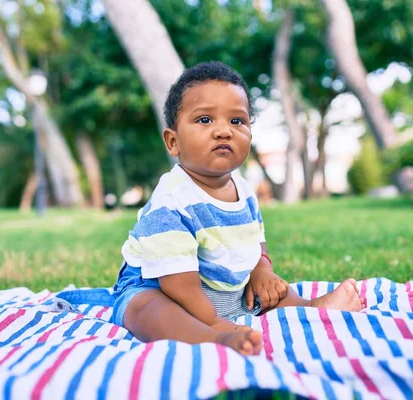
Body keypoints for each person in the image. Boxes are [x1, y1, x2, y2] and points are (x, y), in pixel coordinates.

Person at [112, 61, 362, 356]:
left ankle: (310, 309)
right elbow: (179, 285)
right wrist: (215, 324)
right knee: (149, 311)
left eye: (237, 121)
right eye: (205, 120)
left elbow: (254, 238)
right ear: (173, 142)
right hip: (164, 285)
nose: (223, 132)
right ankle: (210, 339)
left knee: (272, 289)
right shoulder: (171, 201)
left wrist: (262, 270)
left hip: (222, 287)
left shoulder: (243, 189)